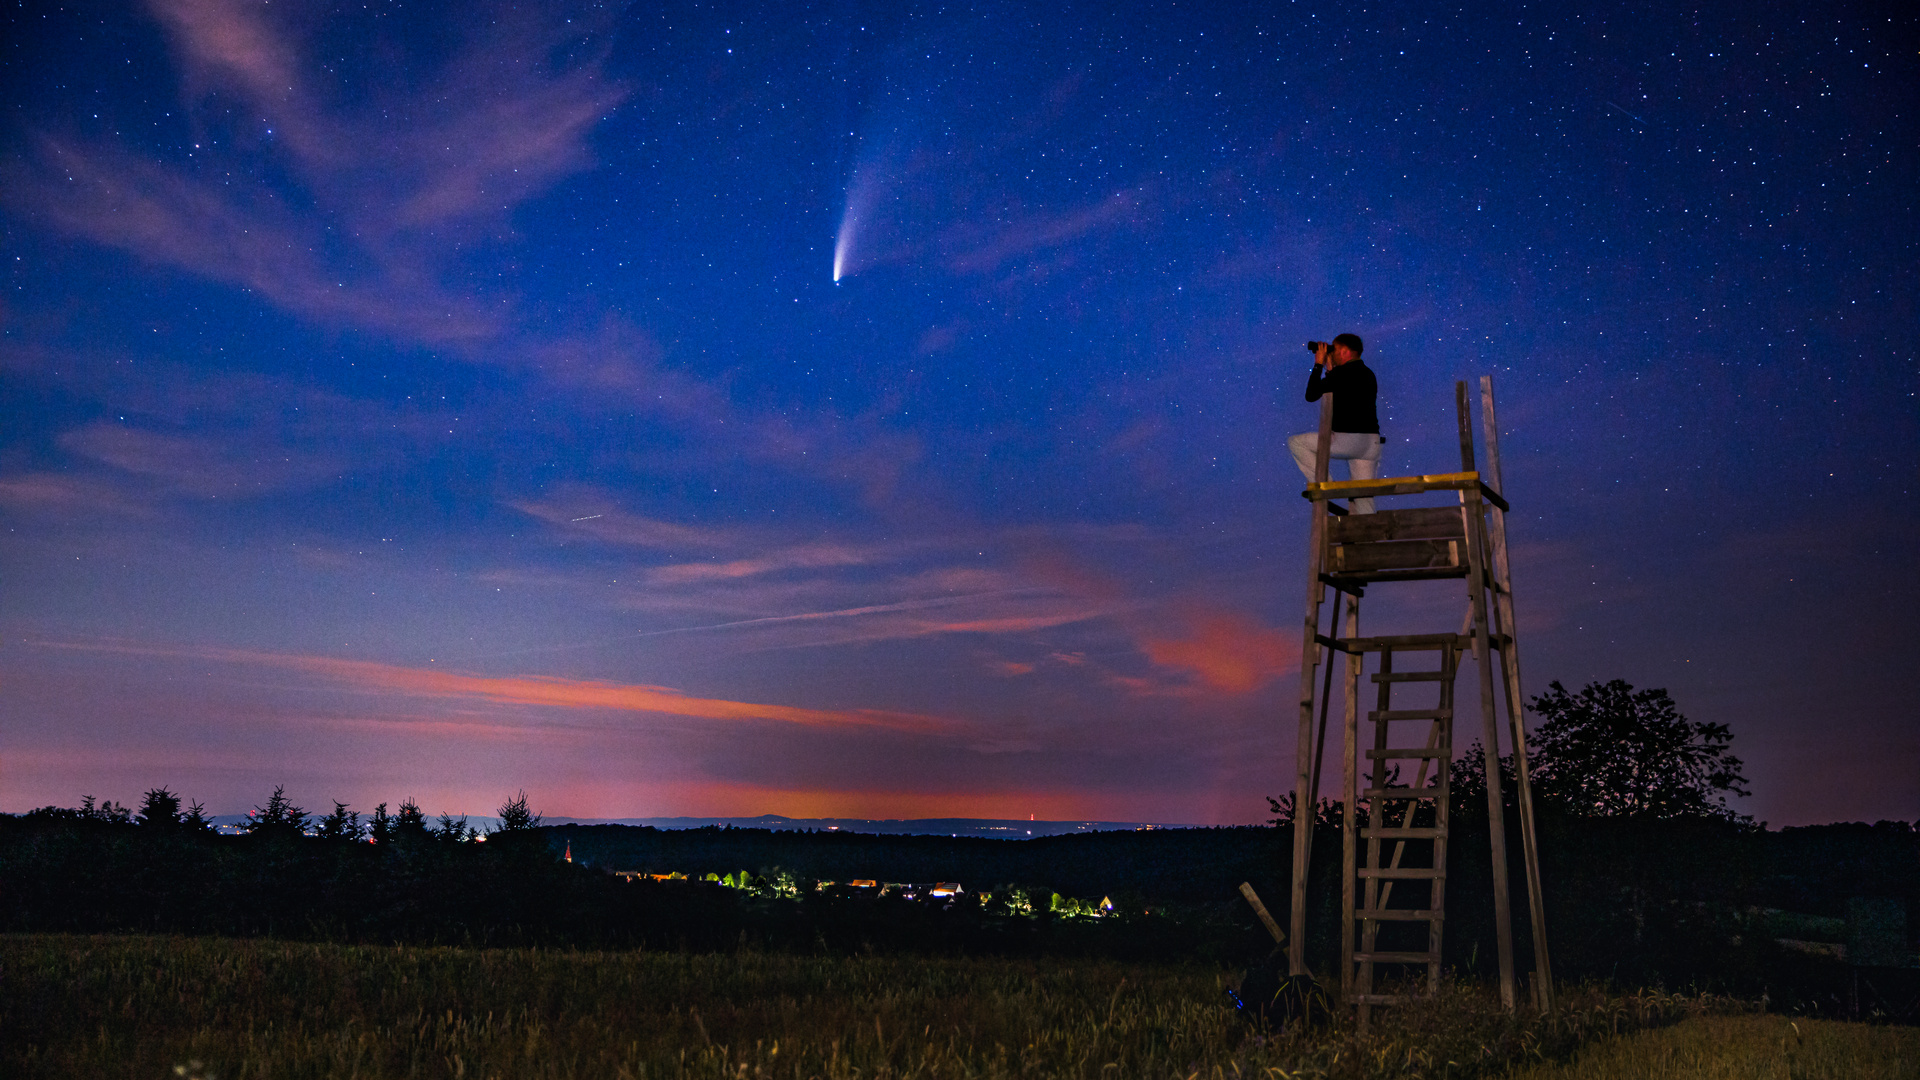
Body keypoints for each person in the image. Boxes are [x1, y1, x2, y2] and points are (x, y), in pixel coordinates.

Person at [1287, 332, 1383, 514]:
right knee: (1364, 496)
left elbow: (1311, 394)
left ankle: (1326, 486)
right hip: (1371, 443)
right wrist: (1331, 369)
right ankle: (1366, 533)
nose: (1332, 353)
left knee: (1296, 442)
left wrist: (1318, 364)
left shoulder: (1344, 373)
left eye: (1335, 349)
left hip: (1349, 439)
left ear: (1346, 352)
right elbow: (1341, 387)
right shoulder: (1367, 373)